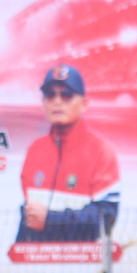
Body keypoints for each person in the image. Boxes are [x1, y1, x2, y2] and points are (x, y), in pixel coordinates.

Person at [15, 65, 120, 242]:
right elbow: (30, 219)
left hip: (83, 262)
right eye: (50, 95)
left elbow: (105, 219)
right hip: (37, 262)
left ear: (84, 104)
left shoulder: (102, 152)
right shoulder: (34, 150)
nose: (57, 101)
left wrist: (51, 219)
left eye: (66, 95)